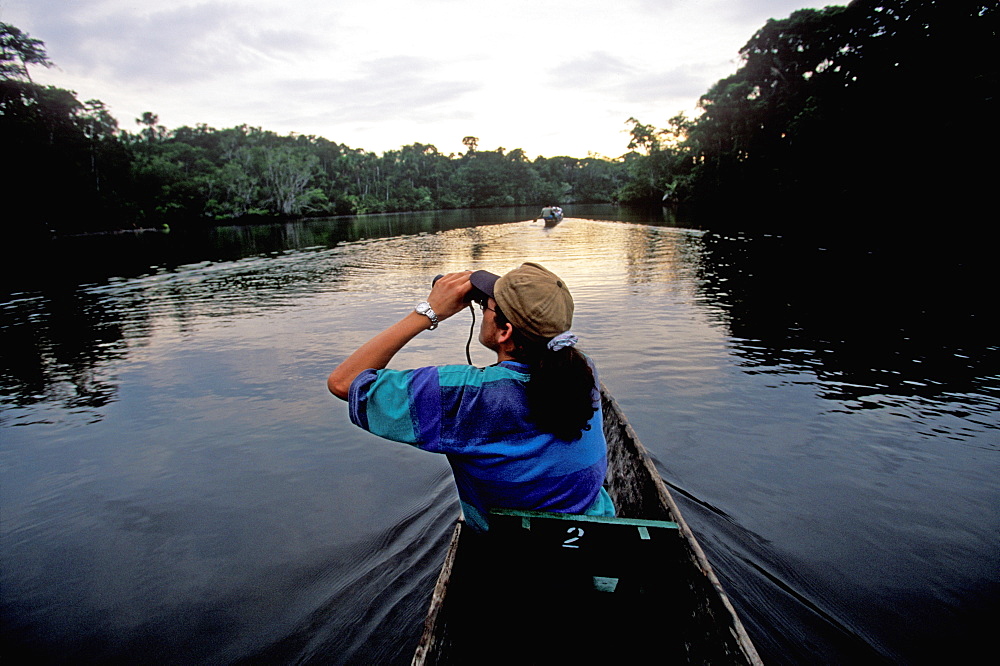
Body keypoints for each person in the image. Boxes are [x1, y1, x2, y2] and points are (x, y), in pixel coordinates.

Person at [327, 262, 614, 532]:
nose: (481, 307)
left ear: (504, 331)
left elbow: (344, 382)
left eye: (485, 305)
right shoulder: (582, 368)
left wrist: (429, 311)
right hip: (593, 533)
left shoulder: (464, 394)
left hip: (513, 547)